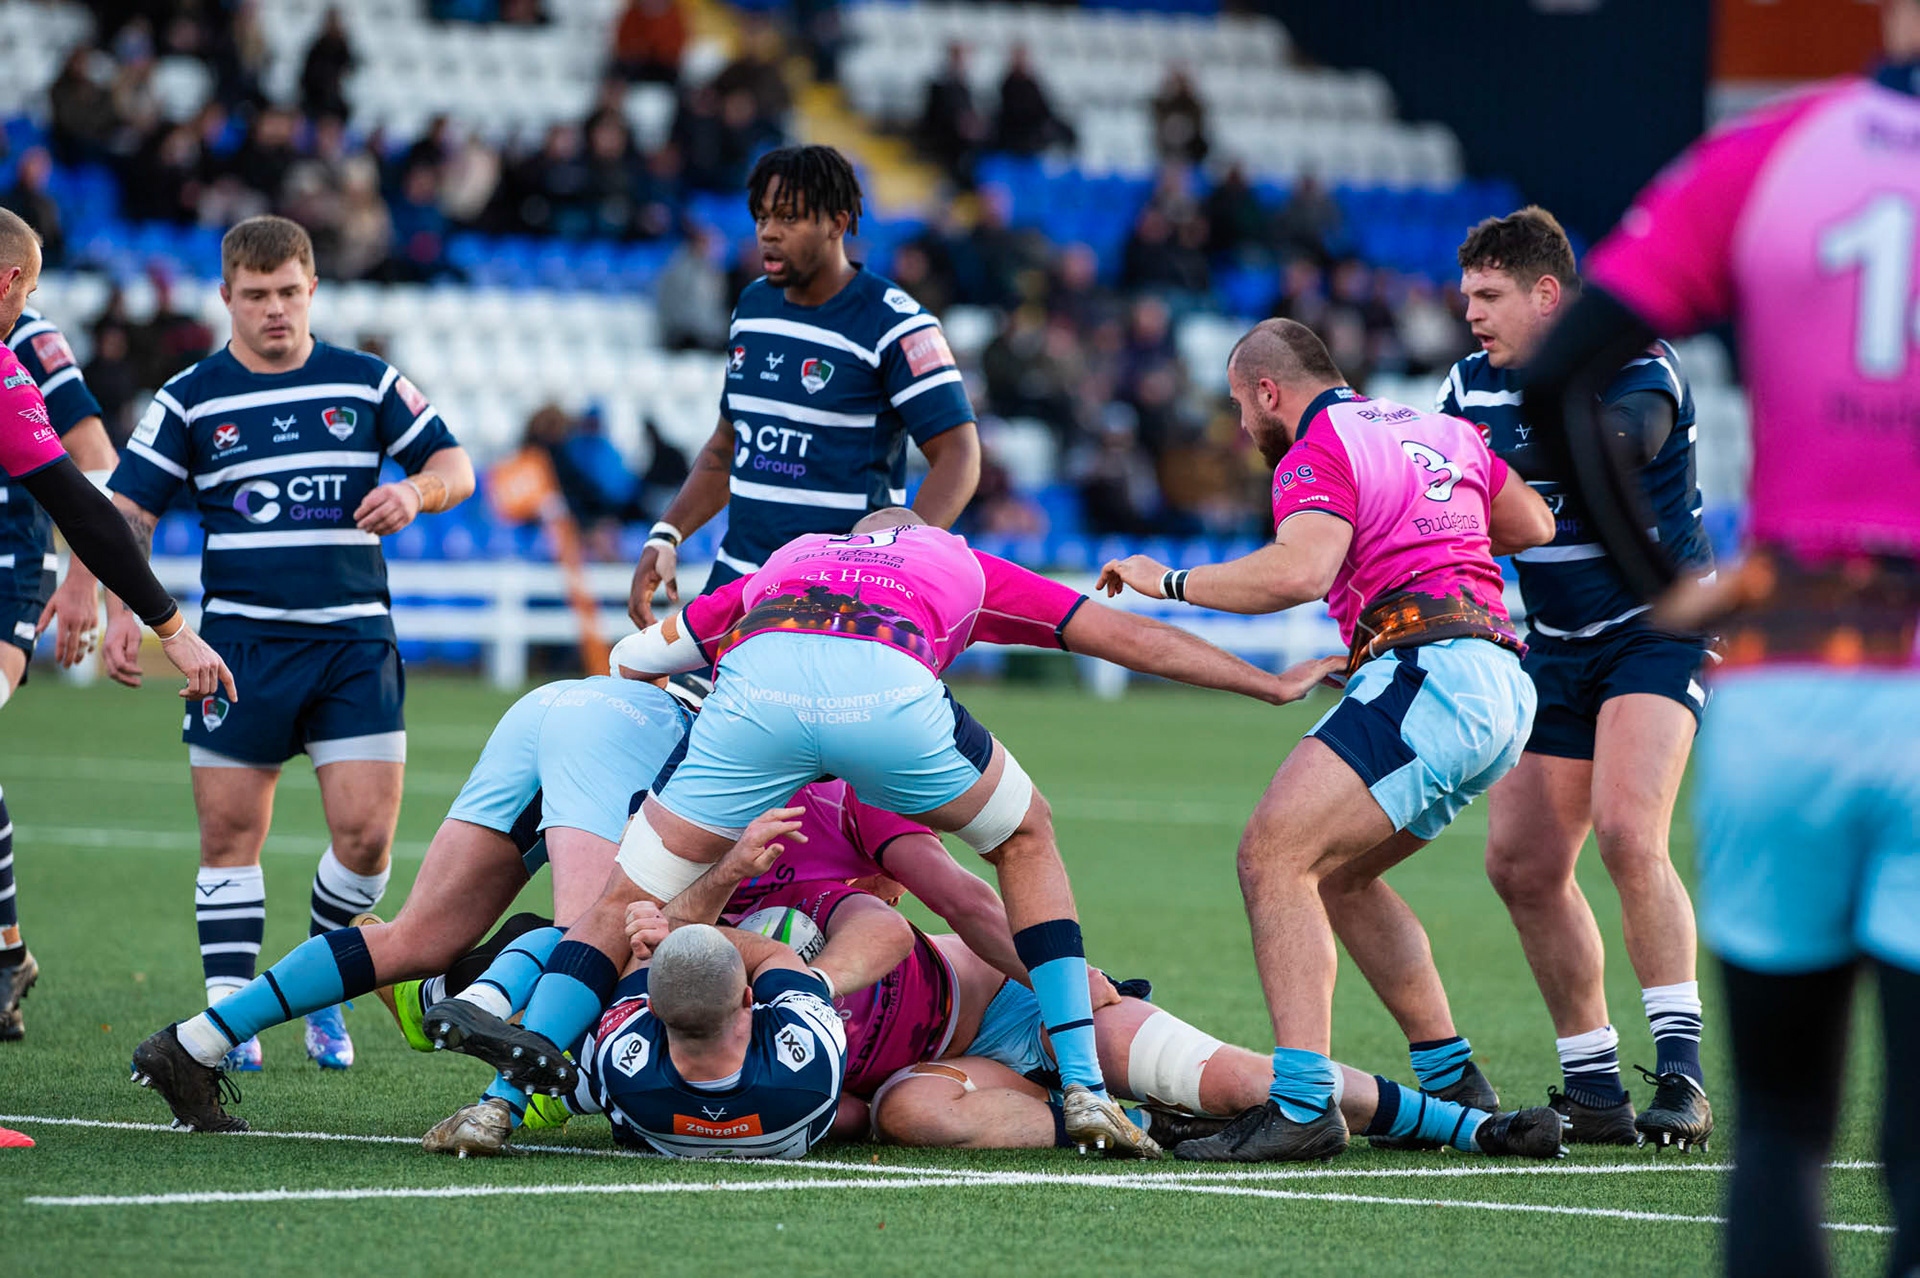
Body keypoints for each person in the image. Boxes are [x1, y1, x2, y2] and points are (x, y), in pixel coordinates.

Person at [426, 513, 1342, 1158]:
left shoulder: (786, 559)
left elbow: (634, 657)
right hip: (886, 697)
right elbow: (1118, 637)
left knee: (621, 903)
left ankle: (500, 1103)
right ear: (922, 536)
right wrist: (1260, 682)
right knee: (1025, 838)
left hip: (759, 699)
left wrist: (701, 749)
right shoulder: (961, 563)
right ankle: (1084, 1087)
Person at [1518, 2, 1920, 1269]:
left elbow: (1563, 371)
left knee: (1786, 1134)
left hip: (1791, 679)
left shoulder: (1770, 154)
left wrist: (1663, 585)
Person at [1097, 319, 1555, 1162]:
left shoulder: (1316, 446)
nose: (1242, 428)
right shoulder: (1437, 430)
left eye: (1241, 407)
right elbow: (1530, 522)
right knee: (1338, 879)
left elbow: (1298, 572)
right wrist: (1428, 530)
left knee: (1271, 857)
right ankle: (1453, 1082)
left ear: (1270, 391)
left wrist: (1166, 580)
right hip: (1495, 680)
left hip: (1430, 672)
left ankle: (1304, 1105)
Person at [106, 215, 474, 1074]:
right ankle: (231, 1023)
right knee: (230, 836)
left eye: (288, 292)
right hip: (237, 648)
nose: (274, 309)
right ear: (227, 297)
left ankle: (317, 985)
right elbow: (127, 514)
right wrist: (124, 606)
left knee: (368, 842)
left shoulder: (368, 383)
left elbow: (455, 465)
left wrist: (416, 494)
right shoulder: (190, 397)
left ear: (313, 289)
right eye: (256, 295)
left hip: (352, 645)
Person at [1435, 207, 1714, 1149]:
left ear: (1547, 294)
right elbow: (1427, 483)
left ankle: (1684, 1076)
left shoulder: (1639, 363)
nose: (1470, 314)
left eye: (1489, 296)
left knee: (1632, 833)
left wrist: (1471, 462)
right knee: (1521, 864)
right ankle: (1594, 1085)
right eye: (1467, 295)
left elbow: (1619, 446)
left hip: (1656, 629)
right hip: (1552, 639)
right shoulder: (1469, 384)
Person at [129, 673, 694, 1132]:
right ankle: (499, 1097)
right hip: (645, 732)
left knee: (417, 938)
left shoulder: (758, 589)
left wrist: (662, 543)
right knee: (591, 934)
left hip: (561, 702)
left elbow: (638, 652)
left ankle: (196, 1040)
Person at [627, 146, 982, 628]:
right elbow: (730, 444)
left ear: (836, 223)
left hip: (833, 601)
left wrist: (900, 556)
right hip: (735, 588)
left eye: (789, 218)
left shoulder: (896, 324)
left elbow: (960, 454)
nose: (769, 232)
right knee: (663, 693)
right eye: (762, 217)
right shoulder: (751, 307)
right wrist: (666, 535)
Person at [0, 299, 123, 1039]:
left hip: (7, 568)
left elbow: (95, 456)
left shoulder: (27, 334)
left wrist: (83, 579)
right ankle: (8, 950)